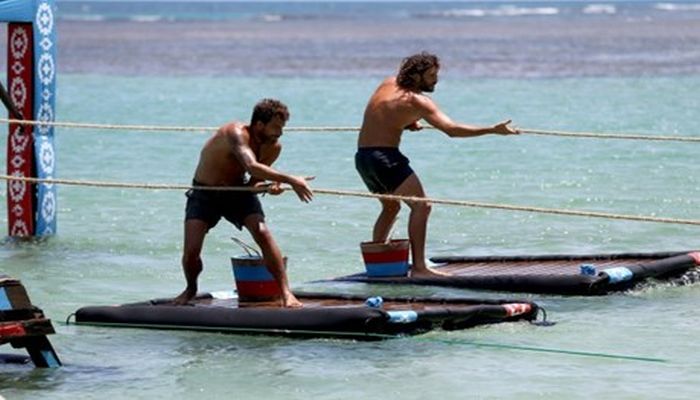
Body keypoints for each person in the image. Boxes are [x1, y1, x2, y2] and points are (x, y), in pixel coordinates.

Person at [355, 52, 520, 277]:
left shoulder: (388, 83)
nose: (436, 80)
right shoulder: (418, 101)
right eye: (431, 75)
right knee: (422, 206)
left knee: (391, 207)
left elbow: (386, 113)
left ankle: (380, 265)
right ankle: (420, 268)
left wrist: (407, 122)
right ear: (416, 76)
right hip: (385, 158)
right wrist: (492, 130)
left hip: (364, 158)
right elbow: (451, 130)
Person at [174, 99, 313, 307]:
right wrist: (292, 179)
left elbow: (252, 184)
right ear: (259, 125)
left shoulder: (273, 148)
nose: (280, 133)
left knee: (263, 233)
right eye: (276, 128)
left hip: (237, 193)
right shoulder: (235, 132)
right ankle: (190, 289)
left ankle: (285, 292)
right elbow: (251, 166)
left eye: (282, 128)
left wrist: (269, 188)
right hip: (205, 193)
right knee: (192, 251)